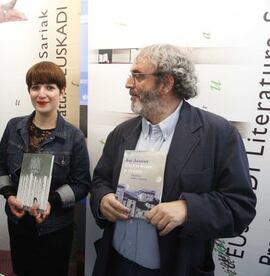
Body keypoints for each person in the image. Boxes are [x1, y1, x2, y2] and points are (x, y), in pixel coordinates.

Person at [90, 44, 256, 276]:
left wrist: (188, 209)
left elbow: (240, 206)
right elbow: (100, 181)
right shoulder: (122, 133)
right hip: (115, 263)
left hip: (175, 267)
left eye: (138, 76)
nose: (128, 83)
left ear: (167, 83)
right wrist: (103, 199)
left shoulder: (217, 134)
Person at [0, 61, 91, 276]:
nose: (42, 94)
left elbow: (82, 185)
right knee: (22, 270)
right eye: (35, 87)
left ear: (62, 92)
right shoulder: (14, 127)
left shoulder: (74, 136)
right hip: (18, 222)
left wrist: (51, 202)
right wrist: (9, 194)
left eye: (50, 87)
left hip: (56, 226)